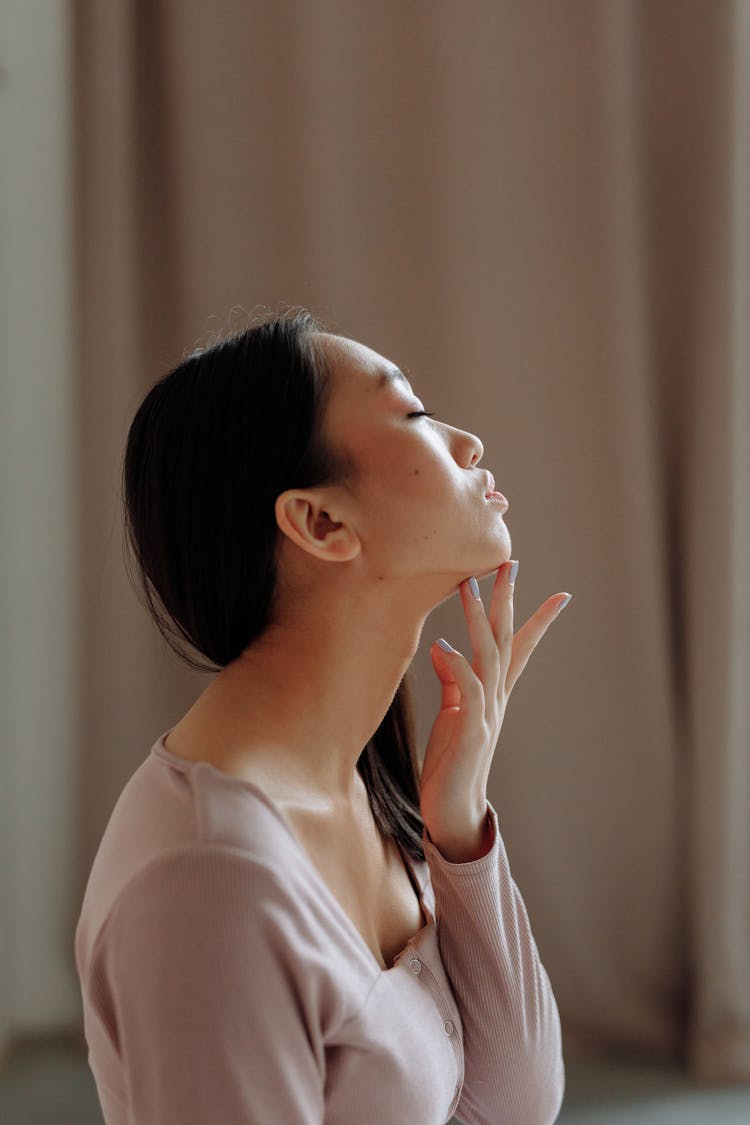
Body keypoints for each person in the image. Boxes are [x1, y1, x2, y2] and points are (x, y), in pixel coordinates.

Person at [74, 306, 570, 1124]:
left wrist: (459, 830)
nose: (467, 442)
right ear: (320, 522)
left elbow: (513, 1105)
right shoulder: (208, 880)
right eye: (411, 414)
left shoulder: (355, 783)